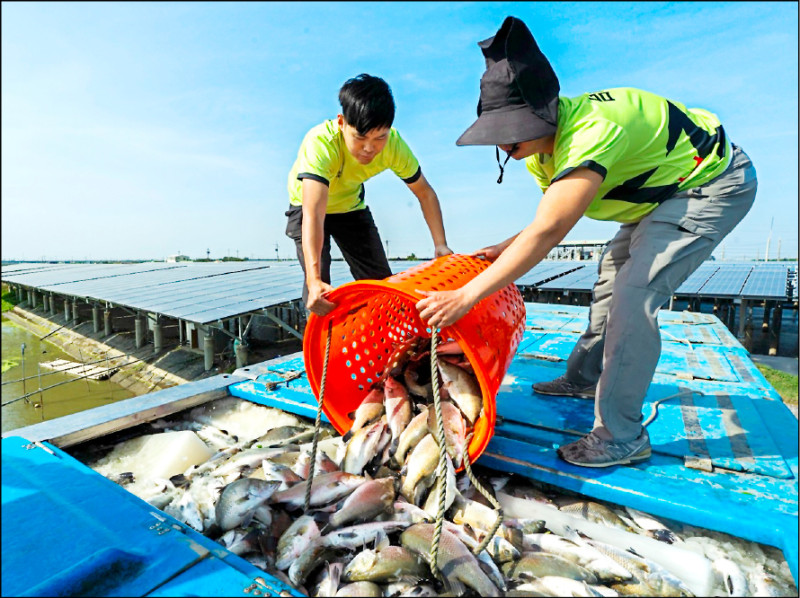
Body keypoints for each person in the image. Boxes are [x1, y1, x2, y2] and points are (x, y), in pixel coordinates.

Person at [415, 17, 757, 468]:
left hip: (706, 184)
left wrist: (466, 296)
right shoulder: (540, 152)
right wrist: (502, 246)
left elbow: (550, 230)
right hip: (652, 197)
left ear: (543, 115)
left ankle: (621, 435)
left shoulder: (592, 131)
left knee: (634, 298)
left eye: (511, 131)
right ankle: (583, 378)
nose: (505, 144)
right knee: (610, 280)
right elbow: (552, 216)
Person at [286, 73, 453, 316]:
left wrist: (441, 245)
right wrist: (313, 280)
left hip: (350, 208)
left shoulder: (395, 145)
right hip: (308, 208)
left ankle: (388, 345)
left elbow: (425, 193)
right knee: (320, 290)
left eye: (379, 137)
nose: (369, 148)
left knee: (382, 286)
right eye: (360, 137)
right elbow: (314, 213)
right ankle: (321, 347)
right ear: (341, 122)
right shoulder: (320, 142)